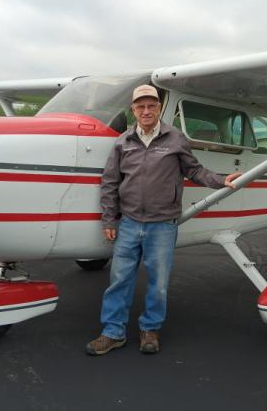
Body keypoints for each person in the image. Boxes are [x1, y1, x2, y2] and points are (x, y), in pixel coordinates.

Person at [86, 84, 242, 356]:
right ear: (133, 110)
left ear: (158, 108)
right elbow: (110, 183)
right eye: (140, 106)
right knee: (119, 280)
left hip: (162, 225)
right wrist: (109, 220)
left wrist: (220, 180)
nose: (146, 111)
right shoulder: (123, 142)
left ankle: (150, 329)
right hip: (129, 223)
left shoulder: (175, 138)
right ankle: (113, 332)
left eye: (151, 106)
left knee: (158, 284)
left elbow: (194, 170)